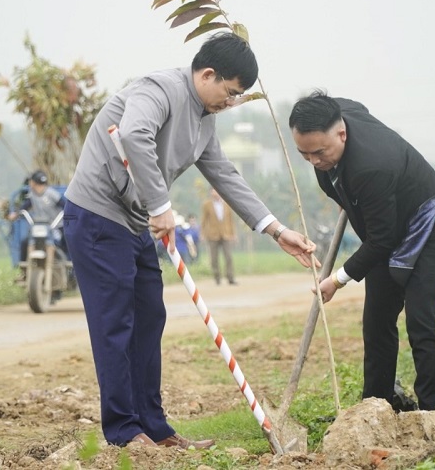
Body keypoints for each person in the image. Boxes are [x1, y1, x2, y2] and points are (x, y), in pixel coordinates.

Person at [62, 32, 317, 449]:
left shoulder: (204, 119)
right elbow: (133, 134)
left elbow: (224, 174)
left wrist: (275, 229)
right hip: (97, 217)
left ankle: (154, 428)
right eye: (230, 93)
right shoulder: (158, 89)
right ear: (208, 74)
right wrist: (161, 205)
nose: (230, 103)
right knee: (116, 323)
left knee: (150, 317)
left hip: (136, 222)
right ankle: (124, 431)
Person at [288, 92, 435, 412]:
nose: (313, 161)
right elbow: (357, 107)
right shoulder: (338, 114)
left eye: (319, 152)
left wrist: (337, 279)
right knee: (377, 320)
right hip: (386, 224)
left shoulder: (372, 167)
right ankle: (377, 405)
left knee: (420, 320)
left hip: (429, 224)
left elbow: (382, 241)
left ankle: (432, 410)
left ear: (342, 133)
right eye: (304, 153)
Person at [8, 170, 64, 268]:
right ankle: (25, 269)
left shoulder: (51, 194)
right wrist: (16, 214)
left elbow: (65, 205)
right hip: (40, 227)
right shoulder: (32, 194)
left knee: (66, 241)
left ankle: (70, 267)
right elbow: (25, 206)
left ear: (34, 182)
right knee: (25, 242)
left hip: (55, 227)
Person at [200, 189, 237, 285]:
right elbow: (204, 220)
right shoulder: (207, 204)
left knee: (228, 256)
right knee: (214, 258)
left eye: (216, 191)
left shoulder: (227, 204)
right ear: (211, 193)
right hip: (212, 235)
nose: (215, 193)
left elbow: (231, 220)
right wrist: (202, 234)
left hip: (226, 234)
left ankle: (230, 277)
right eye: (213, 191)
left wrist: (233, 234)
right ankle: (217, 278)